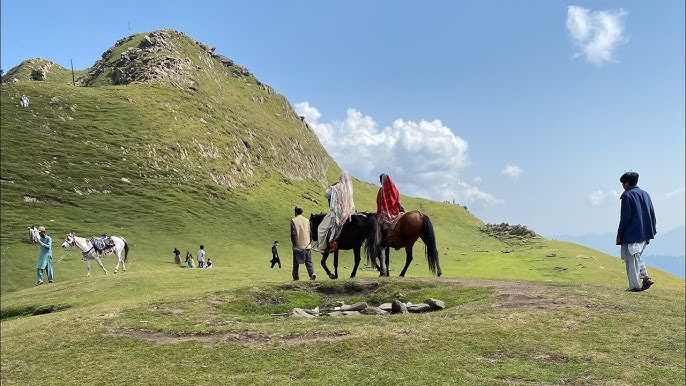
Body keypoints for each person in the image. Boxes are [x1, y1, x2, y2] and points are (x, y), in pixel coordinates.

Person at [616, 171, 657, 292]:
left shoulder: (627, 196)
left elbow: (625, 217)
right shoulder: (645, 194)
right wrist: (653, 229)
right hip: (646, 231)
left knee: (631, 258)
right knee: (636, 255)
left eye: (623, 183)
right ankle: (645, 276)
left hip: (632, 232)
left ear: (627, 183)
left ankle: (634, 286)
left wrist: (620, 234)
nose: (623, 185)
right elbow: (652, 213)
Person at [314, 171, 356, 253]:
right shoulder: (349, 188)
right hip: (349, 212)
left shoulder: (336, 187)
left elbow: (326, 194)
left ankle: (322, 247)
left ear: (340, 178)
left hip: (338, 213)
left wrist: (332, 186)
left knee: (321, 228)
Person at [376, 173, 405, 245]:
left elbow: (379, 202)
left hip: (385, 213)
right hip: (395, 212)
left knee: (377, 224)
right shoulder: (394, 188)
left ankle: (381, 241)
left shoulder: (381, 190)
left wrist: (379, 211)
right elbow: (398, 200)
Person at [291, 206, 316, 280]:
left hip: (298, 245)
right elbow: (311, 232)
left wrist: (295, 245)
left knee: (296, 262)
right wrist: (309, 241)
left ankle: (295, 277)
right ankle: (312, 274)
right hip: (307, 244)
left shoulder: (293, 220)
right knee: (308, 261)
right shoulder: (307, 220)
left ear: (295, 212)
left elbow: (293, 234)